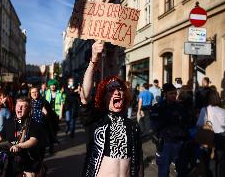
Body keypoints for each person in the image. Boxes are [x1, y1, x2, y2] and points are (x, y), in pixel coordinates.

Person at [80, 40, 143, 177]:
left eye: (120, 89)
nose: (117, 92)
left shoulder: (132, 126)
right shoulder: (95, 120)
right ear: (104, 97)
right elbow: (85, 96)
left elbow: (138, 163)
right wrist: (93, 61)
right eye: (111, 90)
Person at [0, 97, 45, 177]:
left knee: (30, 176)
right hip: (13, 156)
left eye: (23, 106)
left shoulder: (33, 124)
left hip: (29, 157)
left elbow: (33, 140)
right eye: (18, 105)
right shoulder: (10, 122)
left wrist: (19, 145)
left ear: (28, 109)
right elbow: (2, 135)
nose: (20, 108)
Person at [154, 83, 190, 177]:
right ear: (165, 94)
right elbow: (155, 125)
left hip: (180, 143)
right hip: (166, 143)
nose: (174, 95)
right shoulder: (159, 107)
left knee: (182, 170)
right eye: (171, 93)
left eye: (175, 93)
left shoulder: (181, 107)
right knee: (163, 171)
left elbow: (187, 123)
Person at [196, 88, 225, 177]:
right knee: (221, 163)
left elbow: (199, 124)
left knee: (209, 163)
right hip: (222, 138)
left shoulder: (204, 110)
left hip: (209, 138)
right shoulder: (223, 111)